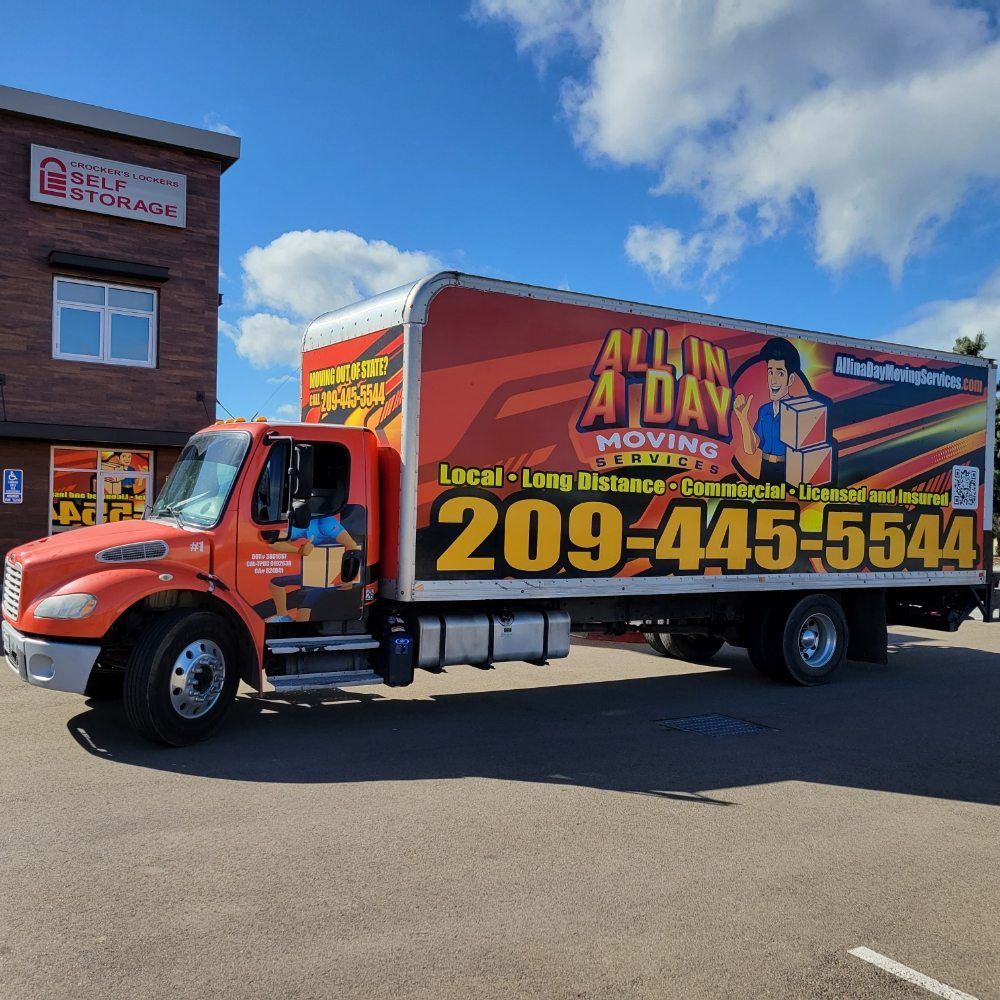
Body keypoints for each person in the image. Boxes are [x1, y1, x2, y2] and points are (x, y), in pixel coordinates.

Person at [267, 512, 360, 623]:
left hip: (335, 577)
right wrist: (298, 550)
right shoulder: (305, 522)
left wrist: (350, 578)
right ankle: (283, 615)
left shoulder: (325, 522)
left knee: (305, 605)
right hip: (315, 575)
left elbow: (352, 546)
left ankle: (300, 634)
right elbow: (274, 543)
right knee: (276, 582)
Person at [733, 338, 802, 485]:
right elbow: (750, 449)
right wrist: (743, 418)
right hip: (765, 468)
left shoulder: (799, 411)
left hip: (787, 470)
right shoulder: (764, 411)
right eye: (770, 372)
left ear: (790, 379)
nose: (773, 380)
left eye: (780, 373)